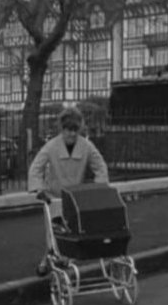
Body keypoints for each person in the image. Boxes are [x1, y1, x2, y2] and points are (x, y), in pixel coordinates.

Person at [28, 106, 109, 275]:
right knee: (54, 233)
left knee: (72, 232)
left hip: (75, 197)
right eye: (68, 130)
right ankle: (49, 260)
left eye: (75, 130)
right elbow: (36, 168)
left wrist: (99, 187)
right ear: (62, 129)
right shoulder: (51, 147)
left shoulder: (86, 146)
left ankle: (57, 260)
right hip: (54, 197)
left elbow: (100, 166)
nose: (71, 134)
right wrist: (39, 189)